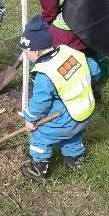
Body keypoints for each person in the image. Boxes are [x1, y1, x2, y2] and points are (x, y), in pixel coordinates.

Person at [19, 15, 100, 182]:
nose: (26, 56)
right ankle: (75, 159)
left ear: (35, 51)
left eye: (26, 52)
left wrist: (30, 120)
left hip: (67, 117)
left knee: (40, 135)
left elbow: (40, 103)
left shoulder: (45, 73)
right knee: (73, 135)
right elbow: (93, 68)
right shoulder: (69, 52)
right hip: (85, 111)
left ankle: (39, 167)